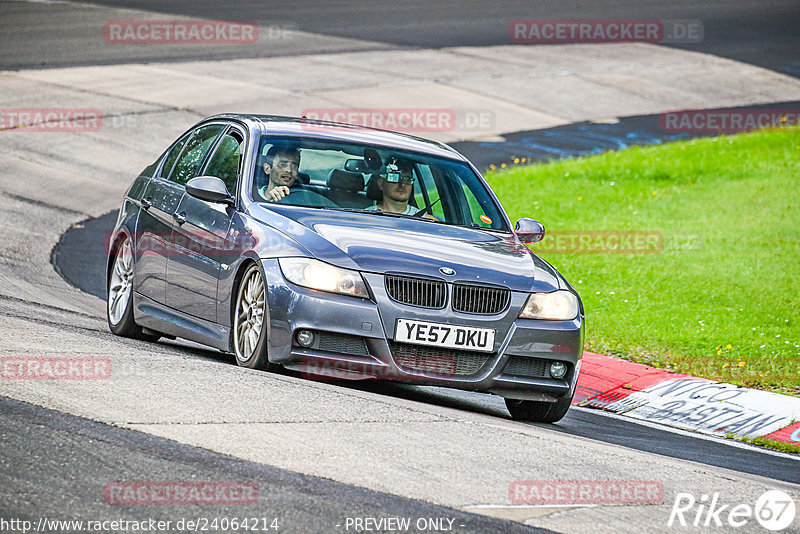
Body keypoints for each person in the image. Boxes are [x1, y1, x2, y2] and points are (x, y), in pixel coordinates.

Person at [368, 157, 436, 219]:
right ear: (381, 183)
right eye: (395, 178)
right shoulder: (365, 216)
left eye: (407, 179)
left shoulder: (428, 221)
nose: (402, 184)